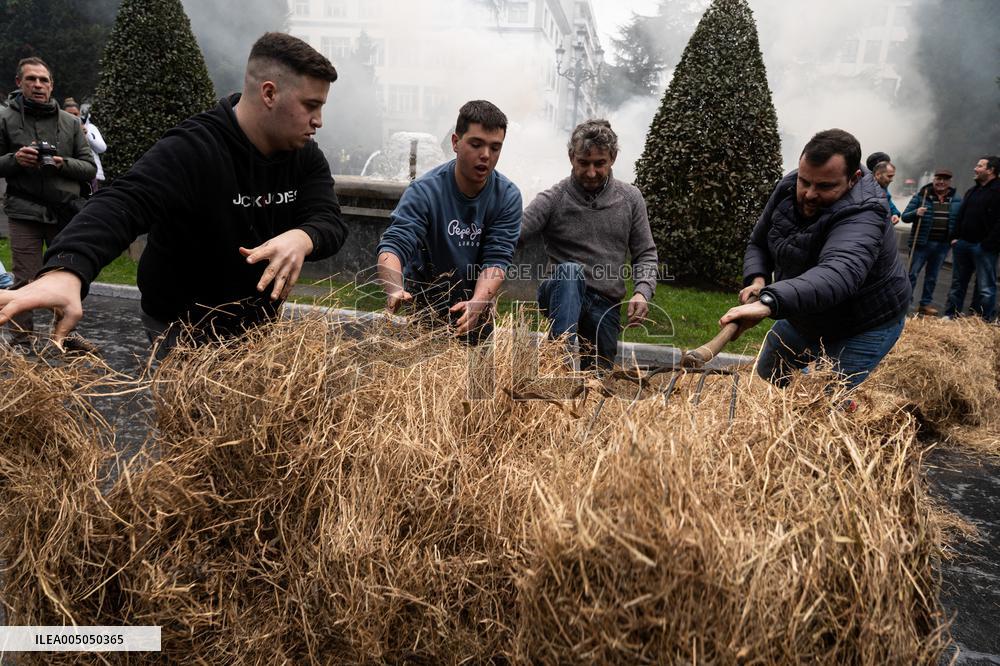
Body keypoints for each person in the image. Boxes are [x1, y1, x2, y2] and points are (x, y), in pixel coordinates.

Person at [0, 33, 346, 350]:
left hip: (255, 326)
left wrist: (303, 237)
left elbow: (329, 219)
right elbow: (124, 201)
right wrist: (67, 269)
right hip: (179, 324)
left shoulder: (305, 156)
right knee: (193, 417)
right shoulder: (193, 148)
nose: (319, 121)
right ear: (269, 93)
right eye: (310, 105)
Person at [721, 128, 911, 392]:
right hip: (807, 312)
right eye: (805, 181)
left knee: (825, 402)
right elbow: (759, 241)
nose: (809, 193)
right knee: (769, 373)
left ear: (854, 178)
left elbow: (838, 273)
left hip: (862, 324)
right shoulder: (789, 186)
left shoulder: (866, 210)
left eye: (824, 186)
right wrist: (758, 279)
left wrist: (769, 302)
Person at [376, 100, 522, 342]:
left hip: (476, 307)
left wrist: (478, 302)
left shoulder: (507, 196)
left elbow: (497, 259)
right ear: (455, 142)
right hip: (423, 307)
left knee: (477, 375)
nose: (486, 155)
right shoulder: (424, 191)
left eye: (495, 148)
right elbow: (394, 244)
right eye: (476, 144)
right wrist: (394, 288)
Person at [519, 119, 657, 370]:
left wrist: (642, 291)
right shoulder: (554, 198)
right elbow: (512, 236)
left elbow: (645, 253)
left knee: (596, 380)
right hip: (560, 293)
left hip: (605, 303)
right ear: (571, 157)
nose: (591, 172)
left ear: (612, 158)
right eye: (584, 163)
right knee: (571, 272)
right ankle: (558, 357)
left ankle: (586, 372)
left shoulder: (630, 199)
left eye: (599, 163)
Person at [0, 57, 96, 349]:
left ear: (51, 85)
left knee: (65, 275)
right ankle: (21, 342)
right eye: (31, 79)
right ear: (19, 83)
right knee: (25, 279)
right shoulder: (4, 119)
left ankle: (64, 337)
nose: (38, 85)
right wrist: (14, 160)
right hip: (23, 211)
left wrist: (60, 162)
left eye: (43, 80)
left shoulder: (70, 122)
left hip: (64, 213)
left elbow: (89, 168)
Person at [944, 155, 1000, 321]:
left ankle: (982, 320)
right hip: (963, 244)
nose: (975, 169)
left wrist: (988, 244)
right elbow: (961, 216)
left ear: (991, 170)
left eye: (980, 166)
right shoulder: (972, 190)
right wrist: (955, 237)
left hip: (984, 247)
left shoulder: (998, 191)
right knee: (957, 284)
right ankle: (950, 315)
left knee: (985, 287)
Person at [900, 168, 961, 316]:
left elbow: (960, 220)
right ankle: (905, 303)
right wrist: (916, 212)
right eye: (938, 179)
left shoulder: (957, 199)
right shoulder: (922, 196)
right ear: (933, 180)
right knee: (912, 274)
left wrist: (956, 235)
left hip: (942, 245)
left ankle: (925, 304)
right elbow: (905, 217)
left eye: (944, 179)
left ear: (949, 182)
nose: (941, 182)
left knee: (932, 277)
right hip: (922, 243)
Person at [65, 99, 107, 193]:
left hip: (95, 176)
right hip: (71, 176)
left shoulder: (90, 128)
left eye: (75, 114)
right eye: (69, 114)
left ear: (79, 114)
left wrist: (87, 135)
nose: (72, 117)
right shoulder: (60, 129)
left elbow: (102, 148)